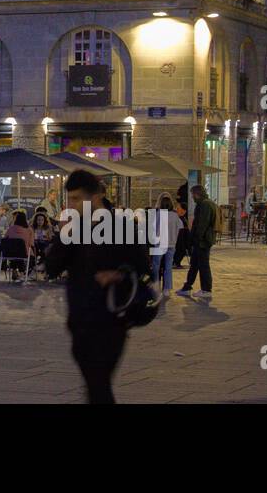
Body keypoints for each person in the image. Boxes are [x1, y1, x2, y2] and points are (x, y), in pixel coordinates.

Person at [44, 169, 151, 404]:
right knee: (96, 387)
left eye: (75, 199)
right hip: (80, 323)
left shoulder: (121, 227)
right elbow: (51, 267)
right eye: (69, 199)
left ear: (93, 198)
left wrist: (119, 275)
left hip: (112, 322)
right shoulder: (74, 230)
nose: (70, 204)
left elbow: (144, 269)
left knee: (98, 386)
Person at [176, 184, 216, 301]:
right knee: (194, 265)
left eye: (192, 194)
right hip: (202, 240)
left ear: (197, 194)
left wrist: (196, 239)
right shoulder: (206, 203)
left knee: (203, 265)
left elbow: (202, 224)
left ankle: (206, 290)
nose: (192, 197)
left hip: (202, 241)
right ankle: (187, 287)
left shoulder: (204, 205)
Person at [151, 195, 183, 297]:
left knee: (156, 266)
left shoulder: (158, 214)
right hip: (171, 243)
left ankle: (156, 286)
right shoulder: (175, 215)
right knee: (168, 267)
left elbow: (153, 227)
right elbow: (180, 226)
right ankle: (167, 289)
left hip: (160, 243)